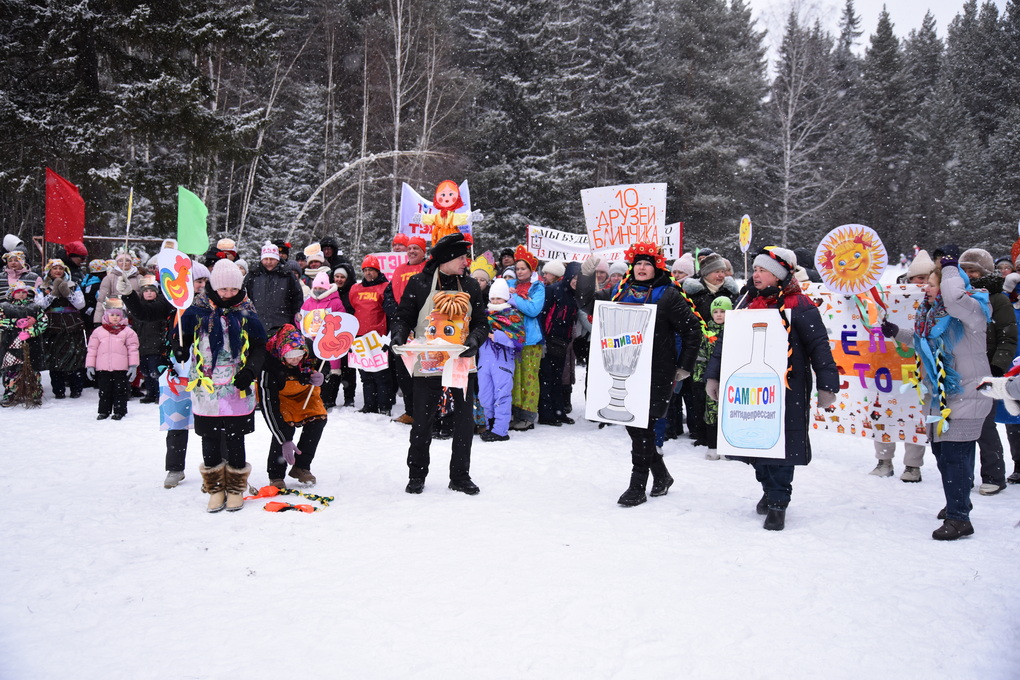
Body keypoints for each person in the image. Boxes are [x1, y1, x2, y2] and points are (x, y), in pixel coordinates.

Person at [706, 247, 839, 531]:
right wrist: (714, 376)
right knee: (755, 444)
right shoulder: (746, 301)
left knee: (781, 446)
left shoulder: (800, 304)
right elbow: (726, 342)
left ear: (778, 275)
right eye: (755, 269)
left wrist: (827, 384)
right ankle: (768, 488)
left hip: (788, 389)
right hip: (751, 388)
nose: (756, 275)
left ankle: (779, 501)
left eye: (763, 270)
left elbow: (819, 346)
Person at [579, 244, 702, 506]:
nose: (642, 268)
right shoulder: (620, 291)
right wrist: (586, 277)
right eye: (638, 263)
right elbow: (587, 303)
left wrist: (684, 365)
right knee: (636, 429)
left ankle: (637, 486)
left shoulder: (668, 295)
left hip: (657, 371)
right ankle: (662, 476)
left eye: (647, 263)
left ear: (656, 267)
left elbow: (692, 329)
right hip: (625, 369)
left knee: (643, 428)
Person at [881, 256, 992, 540]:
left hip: (966, 395)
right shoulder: (933, 316)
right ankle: (959, 502)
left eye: (932, 284)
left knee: (955, 457)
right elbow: (922, 342)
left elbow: (954, 300)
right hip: (942, 399)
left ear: (947, 286)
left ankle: (959, 519)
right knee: (944, 455)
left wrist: (951, 268)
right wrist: (896, 332)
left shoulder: (972, 310)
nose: (926, 289)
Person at [390, 233, 489, 494]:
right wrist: (398, 334)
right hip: (428, 360)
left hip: (461, 361)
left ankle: (460, 476)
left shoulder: (470, 285)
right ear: (446, 259)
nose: (466, 262)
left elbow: (481, 322)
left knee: (464, 422)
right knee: (422, 421)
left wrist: (475, 340)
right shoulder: (420, 283)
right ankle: (416, 475)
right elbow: (403, 317)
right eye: (461, 257)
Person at [177, 259, 266, 513]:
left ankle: (236, 488)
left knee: (236, 438)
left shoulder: (247, 310)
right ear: (214, 287)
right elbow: (181, 338)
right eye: (223, 289)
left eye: (233, 289)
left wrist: (250, 371)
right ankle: (215, 489)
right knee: (210, 437)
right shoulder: (197, 310)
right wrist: (178, 347)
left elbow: (259, 346)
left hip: (237, 385)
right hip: (206, 386)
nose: (228, 294)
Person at [872, 249, 934, 481]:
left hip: (919, 368)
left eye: (928, 278)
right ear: (910, 278)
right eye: (920, 278)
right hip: (888, 367)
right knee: (883, 412)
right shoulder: (890, 297)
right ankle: (884, 460)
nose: (924, 283)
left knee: (916, 415)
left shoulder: (934, 300)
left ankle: (912, 466)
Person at [959, 248, 1014, 496]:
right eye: (965, 270)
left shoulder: (998, 299)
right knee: (961, 425)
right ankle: (963, 475)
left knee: (984, 425)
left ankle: (994, 475)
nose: (970, 275)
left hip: (986, 370)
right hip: (960, 370)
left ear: (985, 272)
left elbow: (1007, 337)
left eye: (974, 271)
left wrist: (997, 367)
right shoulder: (958, 297)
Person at [258, 325, 327, 488]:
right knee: (284, 428)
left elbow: (325, 362)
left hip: (304, 393)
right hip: (280, 397)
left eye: (299, 355)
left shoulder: (310, 351)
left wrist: (320, 376)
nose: (296, 360)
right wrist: (284, 439)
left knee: (318, 420)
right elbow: (269, 406)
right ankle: (276, 475)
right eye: (290, 356)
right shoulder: (268, 366)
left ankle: (301, 466)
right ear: (282, 353)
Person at [682, 252, 740, 446]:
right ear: (706, 273)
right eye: (716, 271)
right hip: (700, 352)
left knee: (721, 394)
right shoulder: (693, 294)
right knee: (698, 393)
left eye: (723, 271)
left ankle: (720, 432)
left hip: (725, 350)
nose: (721, 275)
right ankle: (700, 432)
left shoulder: (731, 293)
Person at [385, 236, 428, 424]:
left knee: (424, 369)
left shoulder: (429, 268)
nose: (411, 251)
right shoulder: (399, 270)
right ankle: (410, 411)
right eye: (409, 248)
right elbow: (389, 295)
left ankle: (426, 411)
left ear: (423, 252)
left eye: (416, 248)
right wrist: (396, 314)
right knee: (403, 370)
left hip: (423, 325)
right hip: (402, 325)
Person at [478, 278, 525, 442]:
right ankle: (490, 425)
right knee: (485, 396)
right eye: (492, 298)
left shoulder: (512, 316)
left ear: (505, 298)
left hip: (502, 362)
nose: (495, 301)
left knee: (502, 395)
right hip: (484, 362)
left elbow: (518, 339)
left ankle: (500, 430)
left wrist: (496, 336)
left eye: (499, 298)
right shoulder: (484, 316)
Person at [349, 255, 393, 414]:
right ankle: (370, 405)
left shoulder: (385, 287)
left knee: (381, 375)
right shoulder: (355, 289)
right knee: (365, 375)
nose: (368, 273)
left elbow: (390, 313)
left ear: (377, 271)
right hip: (359, 337)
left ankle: (385, 406)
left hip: (377, 337)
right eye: (365, 270)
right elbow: (351, 311)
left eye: (371, 270)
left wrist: (388, 337)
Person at [508, 245, 545, 431]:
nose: (519, 272)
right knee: (515, 378)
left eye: (523, 268)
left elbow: (533, 309)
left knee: (529, 378)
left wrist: (515, 299)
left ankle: (528, 415)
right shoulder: (510, 285)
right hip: (511, 338)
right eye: (517, 268)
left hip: (530, 340)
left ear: (531, 270)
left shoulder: (538, 287)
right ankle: (515, 413)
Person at [537, 260, 578, 426]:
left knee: (558, 378)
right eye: (574, 277)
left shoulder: (574, 294)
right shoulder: (553, 290)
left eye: (579, 278)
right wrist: (542, 340)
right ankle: (546, 415)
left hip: (562, 343)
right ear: (568, 276)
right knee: (547, 377)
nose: (576, 281)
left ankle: (559, 411)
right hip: (548, 340)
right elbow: (542, 316)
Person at [41, 258, 87, 399]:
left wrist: (67, 293)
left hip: (72, 324)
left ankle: (76, 388)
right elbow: (40, 305)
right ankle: (58, 389)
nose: (58, 271)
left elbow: (80, 304)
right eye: (55, 268)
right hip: (52, 325)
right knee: (54, 357)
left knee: (75, 356)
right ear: (49, 271)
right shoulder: (42, 287)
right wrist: (53, 294)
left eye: (61, 268)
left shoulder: (73, 285)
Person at [85, 301, 139, 420]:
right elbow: (92, 349)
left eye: (117, 315)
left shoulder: (128, 332)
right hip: (103, 368)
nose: (115, 318)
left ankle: (120, 411)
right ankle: (104, 411)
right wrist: (90, 366)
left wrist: (133, 365)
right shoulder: (98, 331)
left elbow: (133, 350)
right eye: (112, 315)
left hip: (121, 368)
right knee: (104, 391)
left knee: (120, 390)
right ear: (106, 316)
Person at [0, 281, 47, 407]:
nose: (21, 294)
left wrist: (31, 331)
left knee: (33, 368)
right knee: (11, 369)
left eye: (23, 292)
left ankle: (34, 392)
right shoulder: (4, 307)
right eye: (18, 292)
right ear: (12, 294)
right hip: (10, 344)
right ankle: (11, 393)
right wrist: (15, 323)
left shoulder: (34, 307)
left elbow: (43, 322)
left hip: (32, 344)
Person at [243, 242, 304, 334]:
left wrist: (294, 320)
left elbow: (297, 299)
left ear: (277, 259)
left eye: (271, 259)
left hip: (282, 325)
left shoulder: (287, 275)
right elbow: (245, 298)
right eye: (265, 259)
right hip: (257, 324)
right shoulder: (253, 275)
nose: (268, 262)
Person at [701, 297, 731, 459]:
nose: (719, 315)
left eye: (723, 311)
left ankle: (727, 445)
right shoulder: (706, 331)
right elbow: (701, 355)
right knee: (712, 411)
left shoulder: (735, 330)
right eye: (716, 311)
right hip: (712, 378)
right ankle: (712, 446)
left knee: (728, 411)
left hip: (729, 377)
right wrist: (700, 376)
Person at [93, 250, 142, 324]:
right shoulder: (109, 278)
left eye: (127, 260)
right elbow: (101, 300)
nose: (124, 263)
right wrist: (98, 320)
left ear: (131, 262)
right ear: (117, 263)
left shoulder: (139, 278)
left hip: (135, 317)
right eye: (120, 261)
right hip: (114, 318)